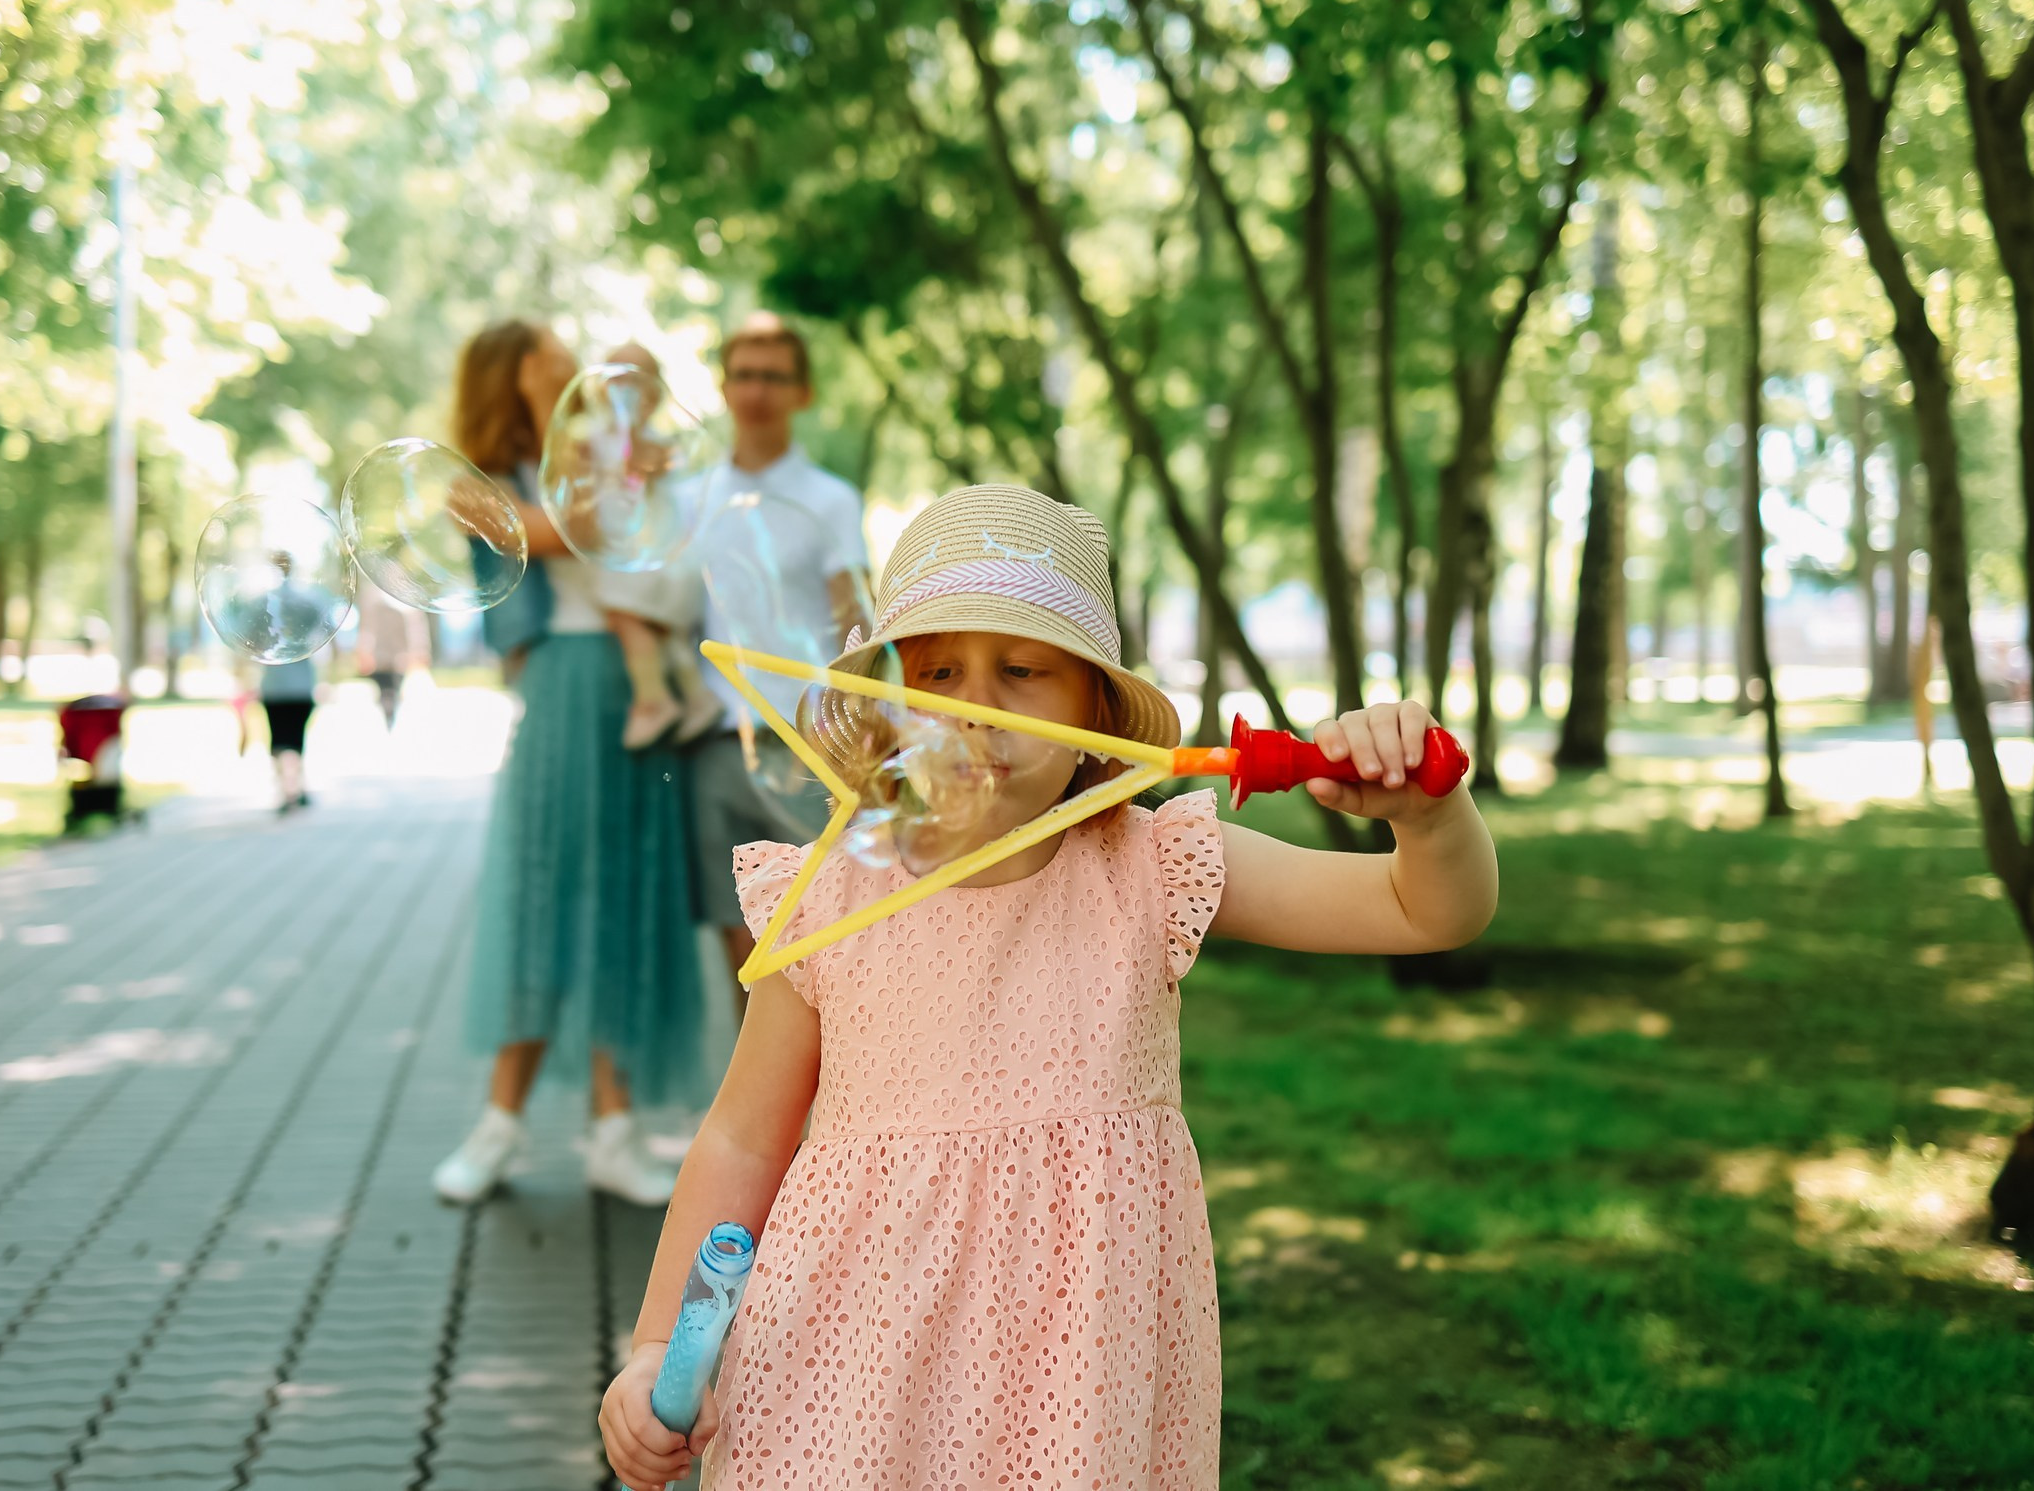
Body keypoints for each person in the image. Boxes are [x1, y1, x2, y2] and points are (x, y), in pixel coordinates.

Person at [598, 485, 1499, 1490]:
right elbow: (741, 1137)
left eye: (1021, 671)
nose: (975, 705)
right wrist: (652, 1347)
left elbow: (1426, 912)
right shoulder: (828, 897)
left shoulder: (1151, 869)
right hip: (847, 1366)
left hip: (1076, 1388)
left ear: (1094, 715)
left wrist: (1430, 816)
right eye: (937, 670)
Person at [431, 318, 707, 1210]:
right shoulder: (470, 488)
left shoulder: (608, 448)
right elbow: (570, 531)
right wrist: (617, 461)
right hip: (565, 688)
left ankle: (613, 1134)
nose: (565, 358)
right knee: (542, 896)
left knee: (624, 900)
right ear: (509, 373)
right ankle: (499, 1126)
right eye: (544, 350)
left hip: (635, 693)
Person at [684, 313, 869, 1000]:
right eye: (745, 374)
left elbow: (855, 616)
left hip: (805, 744)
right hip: (716, 743)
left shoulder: (830, 498)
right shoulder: (690, 499)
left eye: (774, 376)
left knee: (819, 941)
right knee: (744, 956)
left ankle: (833, 1107)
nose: (757, 390)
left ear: (803, 392)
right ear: (725, 387)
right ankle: (765, 1111)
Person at [575, 342, 725, 751]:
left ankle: (652, 699)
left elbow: (648, 464)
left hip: (651, 555)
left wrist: (632, 450)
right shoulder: (594, 439)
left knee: (627, 618)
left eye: (636, 380)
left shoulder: (652, 443)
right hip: (644, 554)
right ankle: (697, 696)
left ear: (656, 394)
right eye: (616, 378)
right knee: (665, 633)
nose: (625, 389)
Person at [256, 551, 324, 815]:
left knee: (278, 739)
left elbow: (249, 639)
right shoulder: (309, 601)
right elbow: (324, 634)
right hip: (301, 682)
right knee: (297, 738)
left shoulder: (263, 603)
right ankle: (297, 788)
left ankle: (286, 790)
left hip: (273, 683)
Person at [354, 584, 423, 732]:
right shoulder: (397, 602)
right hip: (389, 656)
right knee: (389, 688)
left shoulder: (380, 601)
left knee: (390, 688)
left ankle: (390, 714)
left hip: (391, 656)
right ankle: (390, 715)